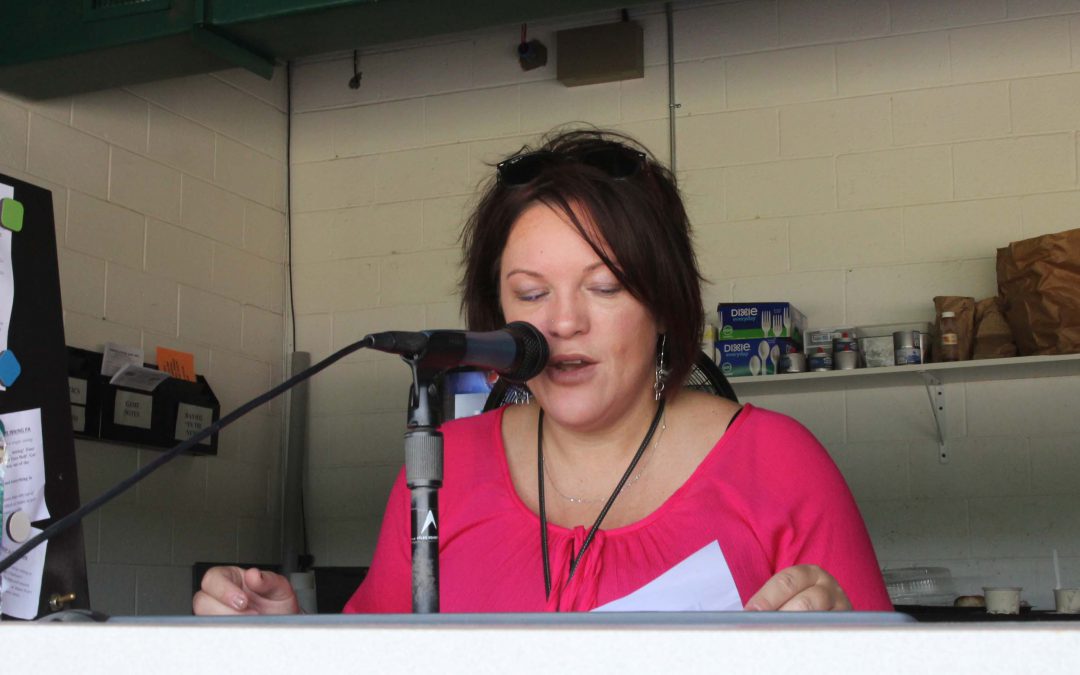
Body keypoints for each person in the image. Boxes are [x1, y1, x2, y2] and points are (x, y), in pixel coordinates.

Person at [194, 129, 892, 615]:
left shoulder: (778, 464)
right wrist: (285, 637)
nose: (562, 323)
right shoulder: (443, 466)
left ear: (664, 300)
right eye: (531, 294)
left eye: (605, 287)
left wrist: (845, 646)